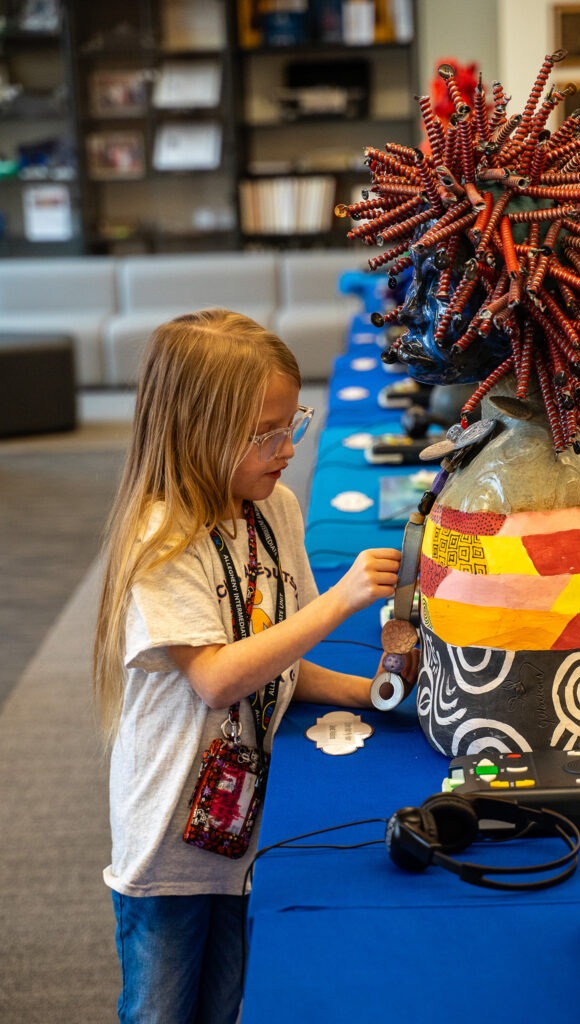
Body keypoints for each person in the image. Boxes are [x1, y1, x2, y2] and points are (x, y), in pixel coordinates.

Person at [93, 308, 417, 1024]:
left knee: (228, 1005)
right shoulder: (162, 535)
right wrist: (340, 602)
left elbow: (283, 666)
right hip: (170, 844)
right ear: (197, 433)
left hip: (246, 835)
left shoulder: (277, 511)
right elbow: (217, 678)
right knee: (161, 1010)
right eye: (264, 436)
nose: (286, 449)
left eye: (291, 425)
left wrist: (380, 695)